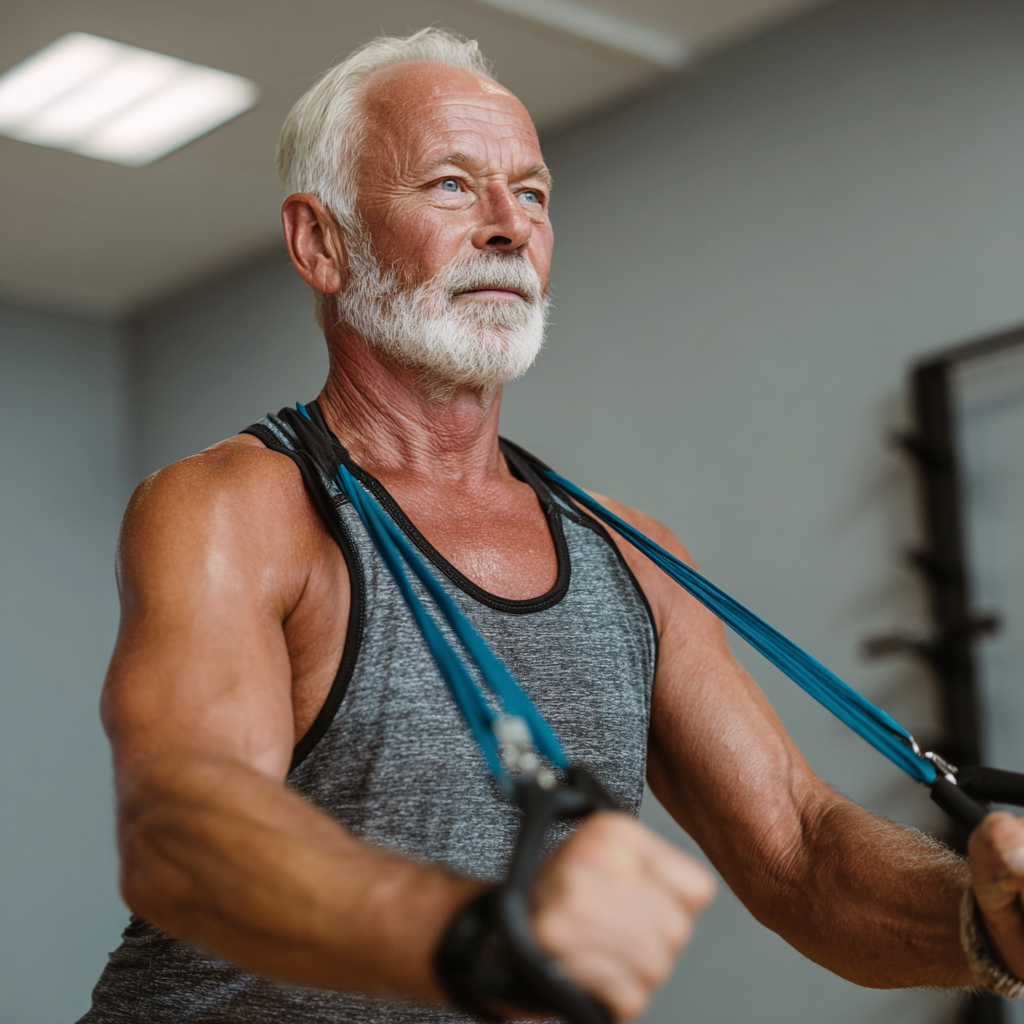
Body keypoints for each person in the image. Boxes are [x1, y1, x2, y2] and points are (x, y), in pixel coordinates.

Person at [80, 27, 1024, 1024]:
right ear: (323, 242)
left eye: (531, 195)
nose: (507, 227)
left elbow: (796, 849)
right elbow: (181, 831)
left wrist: (985, 919)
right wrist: (487, 940)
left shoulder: (630, 555)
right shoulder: (236, 508)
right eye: (451, 185)